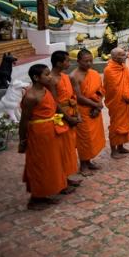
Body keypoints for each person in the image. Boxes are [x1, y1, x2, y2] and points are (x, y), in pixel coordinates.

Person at [19, 64, 68, 210]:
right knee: (39, 164)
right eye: (46, 75)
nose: (50, 77)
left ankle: (45, 193)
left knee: (51, 163)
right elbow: (24, 120)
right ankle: (35, 199)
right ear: (36, 78)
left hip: (50, 131)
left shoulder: (46, 90)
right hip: (38, 134)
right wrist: (22, 140)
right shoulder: (31, 96)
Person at [72, 49, 106, 175]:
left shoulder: (94, 73)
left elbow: (100, 90)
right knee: (84, 139)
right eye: (86, 61)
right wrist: (96, 105)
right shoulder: (74, 76)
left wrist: (97, 106)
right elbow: (78, 97)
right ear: (78, 61)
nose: (89, 63)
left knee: (92, 138)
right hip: (82, 111)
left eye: (91, 60)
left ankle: (89, 161)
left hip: (94, 108)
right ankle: (83, 166)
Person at [50, 50, 81, 186]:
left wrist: (77, 113)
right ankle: (61, 181)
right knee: (61, 149)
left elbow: (72, 97)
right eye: (67, 61)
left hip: (70, 112)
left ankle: (66, 178)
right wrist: (68, 118)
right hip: (60, 117)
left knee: (69, 148)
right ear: (58, 63)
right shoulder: (51, 80)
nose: (69, 63)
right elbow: (55, 103)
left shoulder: (65, 77)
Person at [103, 47, 129, 159]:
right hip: (117, 102)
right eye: (122, 55)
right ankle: (114, 151)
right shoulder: (109, 70)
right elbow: (114, 89)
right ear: (114, 57)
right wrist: (127, 97)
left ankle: (121, 147)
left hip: (127, 101)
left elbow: (128, 83)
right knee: (116, 126)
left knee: (125, 124)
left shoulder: (123, 67)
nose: (126, 56)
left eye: (125, 54)